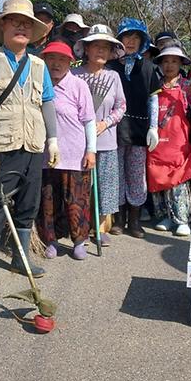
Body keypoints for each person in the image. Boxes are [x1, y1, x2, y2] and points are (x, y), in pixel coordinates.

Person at [0, 0, 60, 291]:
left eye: (27, 24)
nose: (21, 28)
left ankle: (20, 259)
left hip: (33, 146)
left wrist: (53, 139)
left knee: (28, 204)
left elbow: (47, 103)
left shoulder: (38, 64)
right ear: (4, 27)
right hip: (2, 146)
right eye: (15, 22)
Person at [36, 41, 96, 260]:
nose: (56, 64)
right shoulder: (39, 83)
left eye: (62, 59)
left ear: (70, 62)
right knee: (49, 200)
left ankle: (79, 241)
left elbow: (89, 120)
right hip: (45, 155)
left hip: (74, 154)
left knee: (77, 201)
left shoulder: (78, 85)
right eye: (51, 58)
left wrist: (91, 150)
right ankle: (50, 240)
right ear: (44, 60)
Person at [73, 24, 127, 247]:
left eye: (106, 47)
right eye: (96, 46)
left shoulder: (113, 76)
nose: (101, 51)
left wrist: (105, 123)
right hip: (78, 141)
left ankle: (101, 226)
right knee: (81, 186)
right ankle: (81, 228)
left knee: (105, 185)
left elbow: (121, 106)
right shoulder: (74, 74)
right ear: (86, 49)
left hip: (106, 140)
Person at [108, 17, 161, 238]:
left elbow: (153, 100)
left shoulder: (149, 68)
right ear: (119, 40)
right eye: (126, 37)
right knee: (117, 174)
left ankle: (135, 220)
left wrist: (154, 127)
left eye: (135, 37)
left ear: (143, 42)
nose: (130, 42)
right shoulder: (111, 68)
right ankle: (119, 219)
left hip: (140, 130)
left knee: (137, 176)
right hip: (115, 129)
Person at [147, 44, 191, 236]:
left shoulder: (188, 86)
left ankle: (181, 219)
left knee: (178, 181)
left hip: (178, 143)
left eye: (174, 61)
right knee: (158, 179)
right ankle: (165, 217)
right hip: (157, 142)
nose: (169, 65)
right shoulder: (154, 84)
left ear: (181, 63)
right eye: (166, 61)